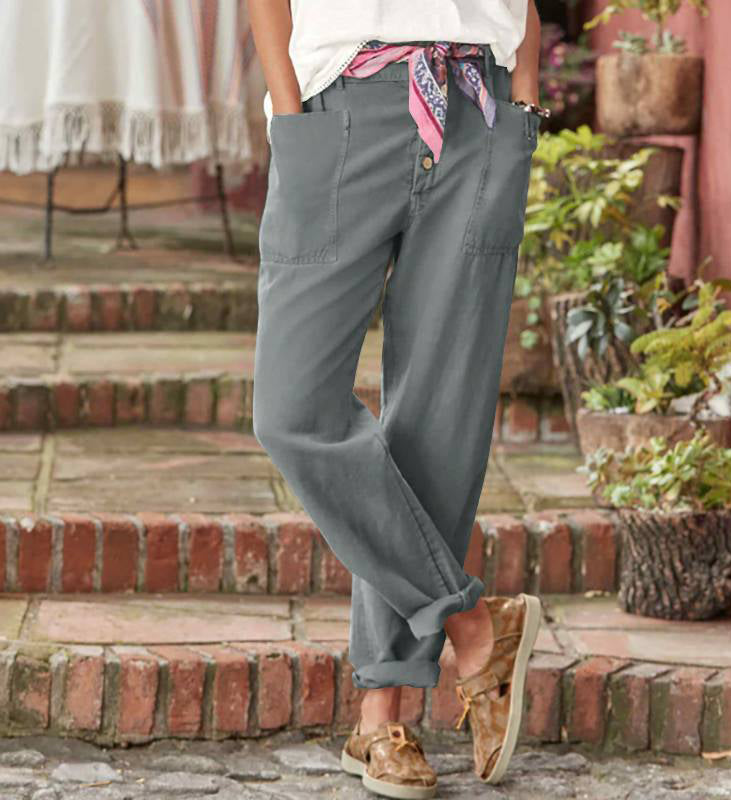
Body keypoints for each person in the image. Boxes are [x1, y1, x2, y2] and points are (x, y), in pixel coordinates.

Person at [247, 2, 547, 797]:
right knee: (291, 411)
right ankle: (471, 621)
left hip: (480, 113)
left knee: (436, 427)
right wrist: (289, 114)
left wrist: (523, 103)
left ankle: (384, 717)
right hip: (340, 113)